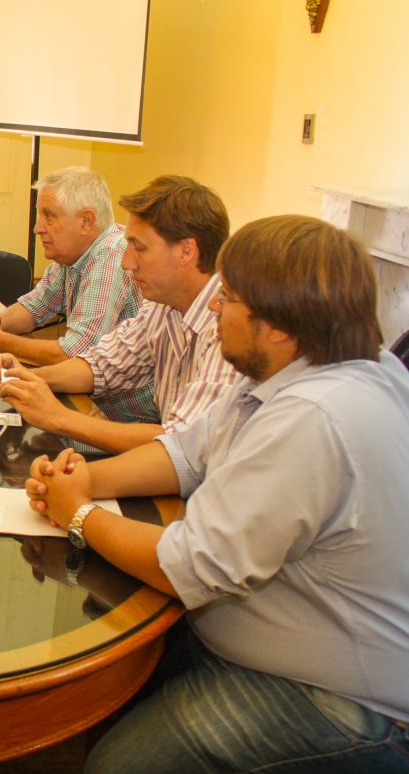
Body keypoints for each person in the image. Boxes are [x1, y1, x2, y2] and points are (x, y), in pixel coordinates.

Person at [25, 215, 409, 773]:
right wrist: (84, 478)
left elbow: (192, 566)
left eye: (227, 298)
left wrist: (80, 514)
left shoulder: (314, 417)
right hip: (265, 638)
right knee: (107, 666)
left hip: (337, 696)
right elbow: (187, 450)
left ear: (277, 326)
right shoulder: (301, 368)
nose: (213, 309)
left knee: (119, 767)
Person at [0, 175, 240, 453]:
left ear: (186, 251)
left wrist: (58, 418)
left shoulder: (229, 328)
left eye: (140, 248)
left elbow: (182, 446)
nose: (127, 262)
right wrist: (28, 378)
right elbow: (102, 365)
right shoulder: (162, 306)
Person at [0, 166, 142, 367]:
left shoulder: (111, 255)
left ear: (86, 222)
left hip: (115, 388)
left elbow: (77, 355)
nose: (37, 228)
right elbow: (34, 307)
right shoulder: (71, 254)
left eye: (49, 216)